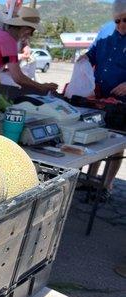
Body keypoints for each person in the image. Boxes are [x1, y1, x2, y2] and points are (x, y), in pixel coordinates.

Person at [81, 0, 126, 201]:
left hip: (122, 103)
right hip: (99, 97)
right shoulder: (106, 31)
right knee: (95, 136)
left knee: (116, 142)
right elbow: (92, 55)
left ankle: (106, 185)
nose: (121, 25)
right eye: (117, 21)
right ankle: (90, 180)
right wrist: (81, 63)